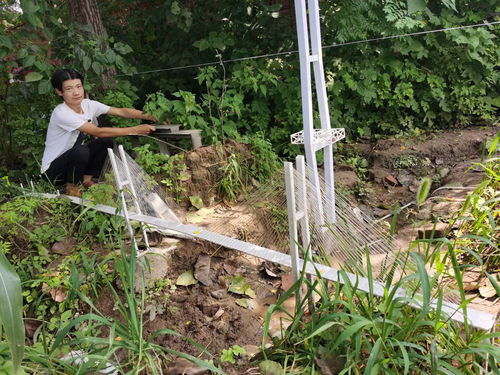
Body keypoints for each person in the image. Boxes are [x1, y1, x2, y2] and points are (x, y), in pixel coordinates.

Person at [41, 68, 157, 195]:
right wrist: (135, 130)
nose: (76, 92)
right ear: (59, 92)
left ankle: (86, 181)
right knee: (82, 150)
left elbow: (120, 111)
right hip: (53, 172)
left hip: (75, 165)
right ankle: (72, 187)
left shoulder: (88, 104)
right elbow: (98, 132)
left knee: (105, 142)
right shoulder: (61, 113)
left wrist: (152, 116)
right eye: (69, 89)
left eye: (78, 86)